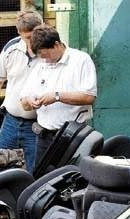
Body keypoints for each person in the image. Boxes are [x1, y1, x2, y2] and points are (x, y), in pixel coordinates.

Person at [0, 11, 43, 174]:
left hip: (38, 124)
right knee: (1, 170)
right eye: (27, 37)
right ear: (19, 33)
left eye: (34, 36)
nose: (31, 41)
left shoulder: (49, 50)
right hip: (10, 122)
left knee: (35, 174)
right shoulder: (11, 48)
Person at [20, 24, 97, 165]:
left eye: (47, 55)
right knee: (42, 181)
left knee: (73, 179)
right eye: (41, 57)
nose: (45, 60)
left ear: (56, 45)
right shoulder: (41, 65)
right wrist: (30, 101)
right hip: (44, 137)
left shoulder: (81, 60)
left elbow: (89, 97)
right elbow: (24, 103)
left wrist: (57, 96)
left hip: (73, 135)